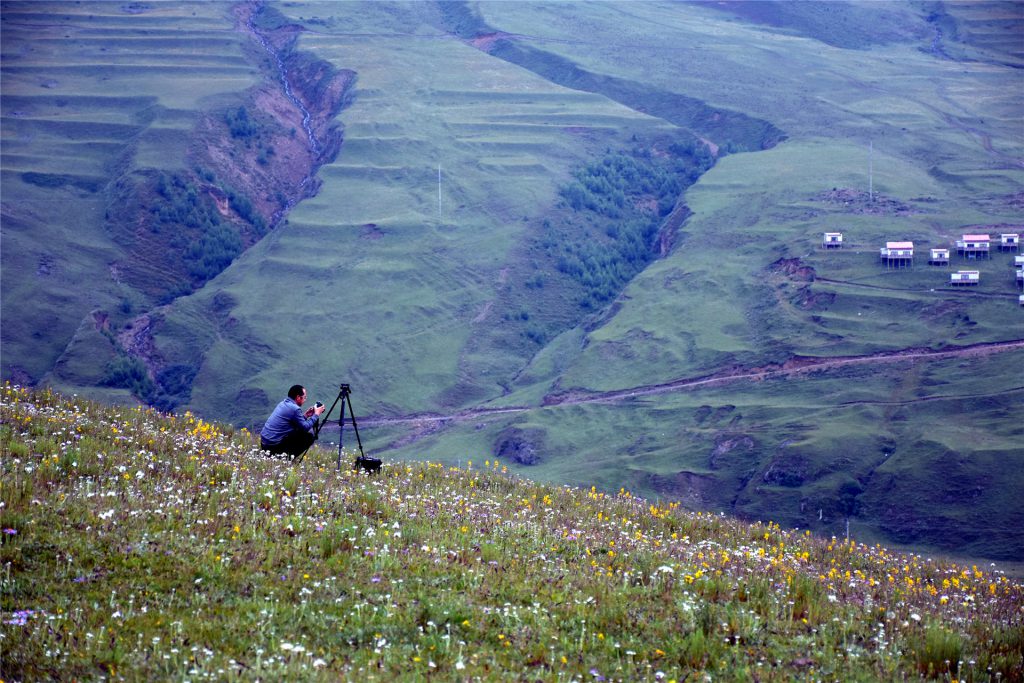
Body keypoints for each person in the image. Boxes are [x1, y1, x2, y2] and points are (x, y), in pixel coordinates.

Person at [260, 384, 325, 458]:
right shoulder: (295, 409)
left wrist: (306, 416)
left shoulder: (283, 403)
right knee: (309, 437)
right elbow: (305, 427)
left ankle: (283, 455)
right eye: (304, 397)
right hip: (272, 448)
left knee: (297, 431)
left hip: (264, 444)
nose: (305, 400)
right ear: (298, 397)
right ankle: (285, 459)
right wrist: (316, 414)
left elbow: (292, 423)